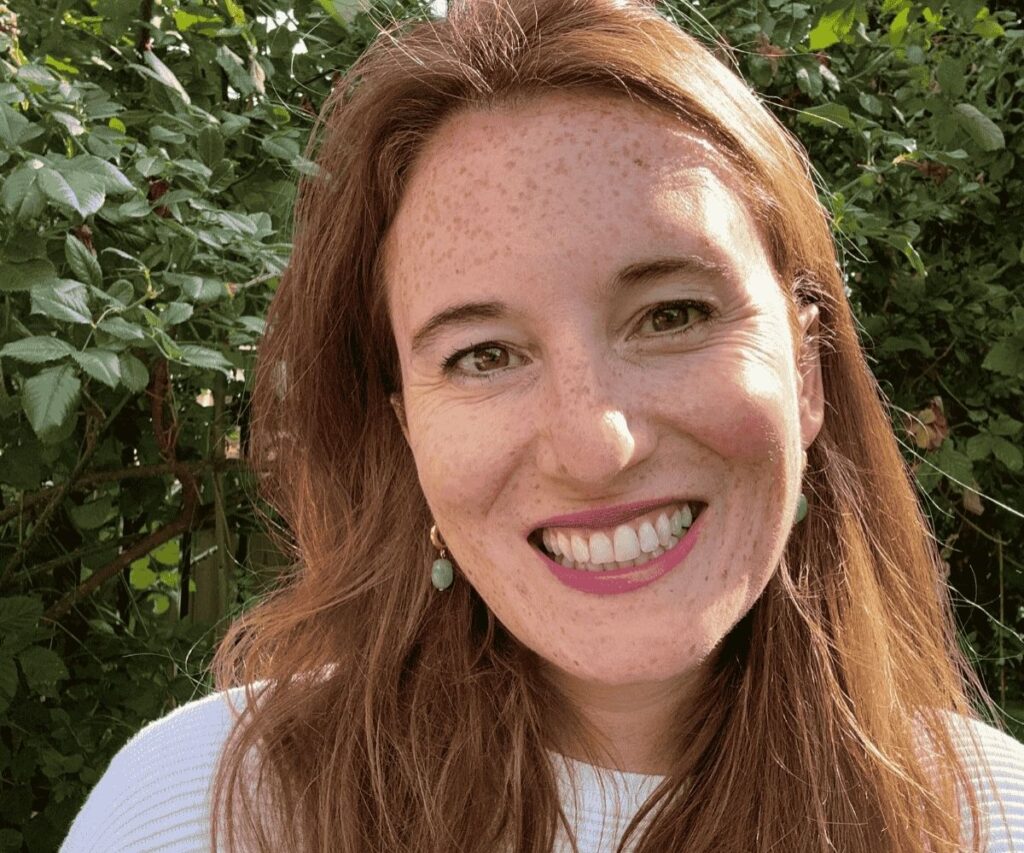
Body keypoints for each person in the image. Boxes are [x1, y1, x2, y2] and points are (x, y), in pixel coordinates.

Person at [61, 0, 1024, 851]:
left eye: (672, 315)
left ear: (806, 369)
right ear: (407, 430)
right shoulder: (202, 812)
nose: (595, 444)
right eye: (483, 354)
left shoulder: (990, 821)